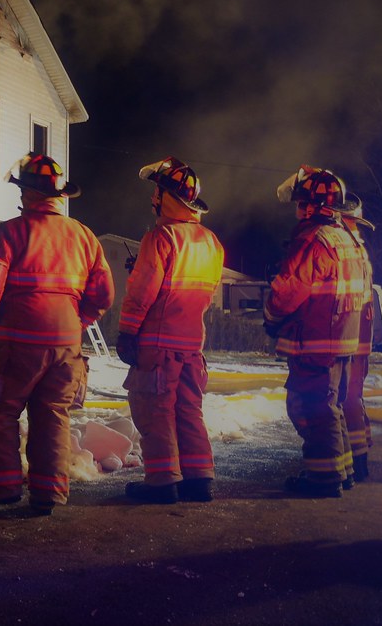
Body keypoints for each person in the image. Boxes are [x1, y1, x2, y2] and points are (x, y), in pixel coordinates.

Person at [0, 154, 114, 515]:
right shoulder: (84, 236)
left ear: (29, 194)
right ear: (59, 196)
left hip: (17, 343)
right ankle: (48, 493)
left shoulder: (12, 231)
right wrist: (79, 321)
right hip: (66, 346)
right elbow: (105, 294)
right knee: (52, 415)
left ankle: (2, 487)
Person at [116, 157, 225, 504]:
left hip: (157, 346)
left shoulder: (161, 237)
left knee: (154, 411)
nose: (153, 198)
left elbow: (144, 292)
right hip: (192, 347)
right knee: (189, 411)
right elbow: (199, 293)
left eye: (158, 192)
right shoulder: (211, 242)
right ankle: (200, 478)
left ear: (169, 197)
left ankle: (161, 483)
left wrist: (127, 332)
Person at [263, 166, 368, 498]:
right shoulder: (347, 237)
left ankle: (323, 479)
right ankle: (343, 471)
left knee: (309, 408)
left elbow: (287, 291)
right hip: (343, 343)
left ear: (313, 205)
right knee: (330, 408)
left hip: (315, 343)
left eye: (300, 203)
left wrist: (271, 316)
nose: (297, 210)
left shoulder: (314, 239)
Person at [341, 192, 376, 481]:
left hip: (349, 338)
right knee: (354, 398)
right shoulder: (358, 249)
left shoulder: (348, 250)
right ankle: (360, 454)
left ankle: (356, 462)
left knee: (347, 399)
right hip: (359, 338)